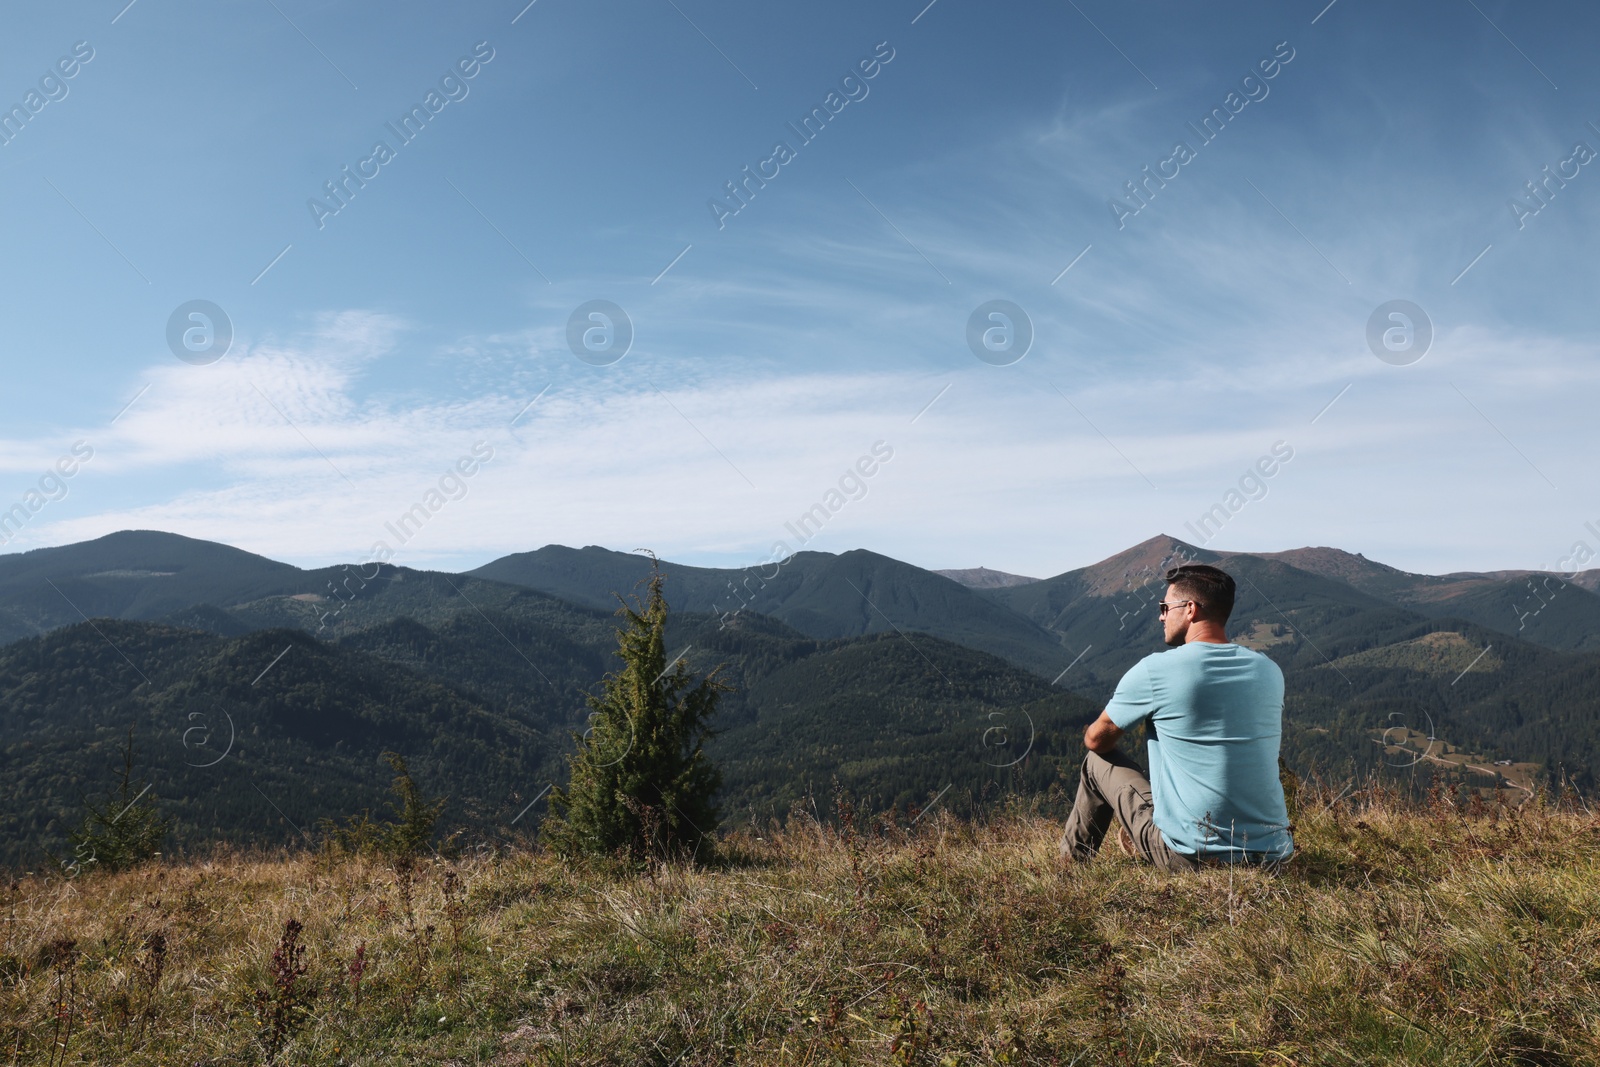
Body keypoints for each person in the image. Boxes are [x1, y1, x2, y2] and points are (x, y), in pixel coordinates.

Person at [1058, 563, 1294, 871]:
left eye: (1165, 607)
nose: (1161, 616)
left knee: (1096, 762)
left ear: (1190, 609)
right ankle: (1151, 830)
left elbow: (1096, 740)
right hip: (1273, 858)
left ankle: (1069, 871)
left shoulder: (1156, 670)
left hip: (1192, 858)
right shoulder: (1269, 670)